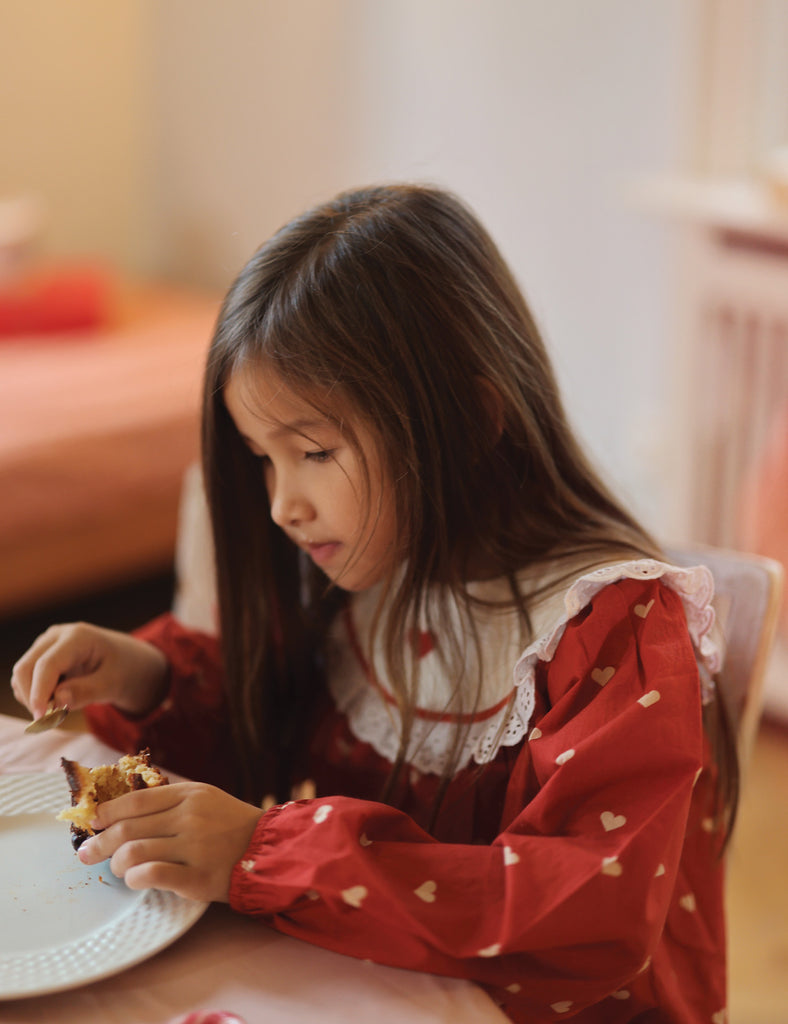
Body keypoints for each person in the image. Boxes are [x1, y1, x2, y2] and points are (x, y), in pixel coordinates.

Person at [12, 184, 737, 1023]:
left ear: (469, 419)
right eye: (262, 458)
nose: (283, 504)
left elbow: (581, 910)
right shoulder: (369, 567)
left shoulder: (613, 622)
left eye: (314, 451)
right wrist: (150, 678)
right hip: (377, 983)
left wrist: (264, 850)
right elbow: (271, 723)